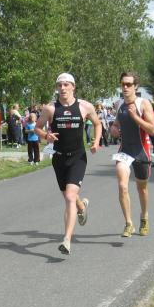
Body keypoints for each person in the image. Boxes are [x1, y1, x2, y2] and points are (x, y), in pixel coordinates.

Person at [35, 72, 101, 255]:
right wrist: (46, 135)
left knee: (70, 197)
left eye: (66, 84)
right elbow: (37, 127)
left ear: (73, 87)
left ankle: (66, 240)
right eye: (59, 85)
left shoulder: (84, 106)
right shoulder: (50, 109)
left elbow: (97, 124)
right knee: (69, 196)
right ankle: (81, 206)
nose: (62, 88)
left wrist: (96, 141)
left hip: (77, 158)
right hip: (59, 158)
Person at [110, 72, 154, 237]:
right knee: (123, 186)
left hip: (141, 151)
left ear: (135, 86)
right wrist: (113, 128)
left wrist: (135, 117)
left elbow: (152, 129)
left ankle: (144, 217)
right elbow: (116, 124)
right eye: (123, 84)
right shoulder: (119, 105)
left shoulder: (143, 104)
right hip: (125, 151)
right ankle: (128, 223)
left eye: (128, 84)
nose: (125, 87)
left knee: (141, 188)